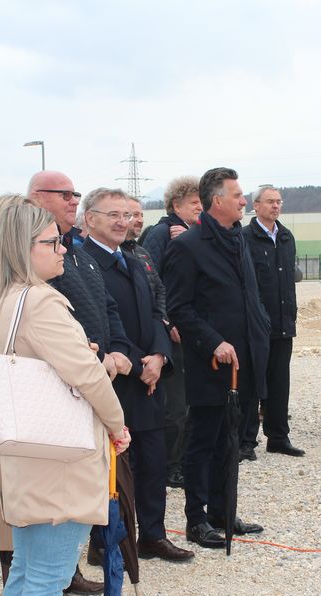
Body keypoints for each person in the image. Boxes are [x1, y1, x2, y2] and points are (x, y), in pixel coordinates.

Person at [0, 200, 130, 596]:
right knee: (46, 578)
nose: (62, 249)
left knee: (26, 571)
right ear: (24, 248)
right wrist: (117, 423)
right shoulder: (40, 302)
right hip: (59, 455)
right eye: (51, 242)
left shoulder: (2, 297)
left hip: (27, 452)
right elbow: (86, 375)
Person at [28, 170, 130, 596]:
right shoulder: (32, 259)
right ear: (37, 197)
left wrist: (116, 349)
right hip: (61, 386)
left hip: (94, 373)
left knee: (76, 485)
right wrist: (92, 358)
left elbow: (106, 307)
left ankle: (64, 571)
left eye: (75, 194)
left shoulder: (76, 252)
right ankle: (47, 581)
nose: (73, 200)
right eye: (65, 194)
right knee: (55, 488)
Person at [82, 188, 193, 562]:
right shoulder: (84, 264)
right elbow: (98, 324)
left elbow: (157, 312)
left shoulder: (133, 259)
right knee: (115, 466)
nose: (122, 222)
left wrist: (159, 356)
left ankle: (152, 535)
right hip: (116, 381)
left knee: (153, 461)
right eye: (112, 214)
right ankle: (107, 542)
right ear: (90, 219)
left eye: (126, 215)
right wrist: (137, 363)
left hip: (149, 378)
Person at [164, 166, 269, 549]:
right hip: (211, 363)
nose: (244, 201)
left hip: (245, 359)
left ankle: (224, 512)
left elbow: (248, 296)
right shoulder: (188, 246)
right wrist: (213, 343)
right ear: (217, 200)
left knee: (232, 440)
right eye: (238, 195)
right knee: (203, 440)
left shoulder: (238, 238)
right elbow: (179, 308)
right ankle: (197, 519)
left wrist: (261, 329)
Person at [140, 176, 202, 488]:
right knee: (175, 404)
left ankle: (181, 460)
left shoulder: (193, 232)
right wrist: (167, 321)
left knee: (188, 401)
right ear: (176, 205)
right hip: (173, 332)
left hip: (191, 330)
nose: (200, 207)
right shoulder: (162, 233)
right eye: (194, 203)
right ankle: (168, 466)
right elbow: (152, 282)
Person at [242, 185, 303, 459]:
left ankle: (278, 437)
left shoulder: (286, 237)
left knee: (279, 384)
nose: (275, 206)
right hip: (256, 325)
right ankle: (246, 441)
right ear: (256, 205)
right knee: (252, 384)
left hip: (283, 322)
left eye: (279, 202)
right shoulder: (245, 238)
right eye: (270, 202)